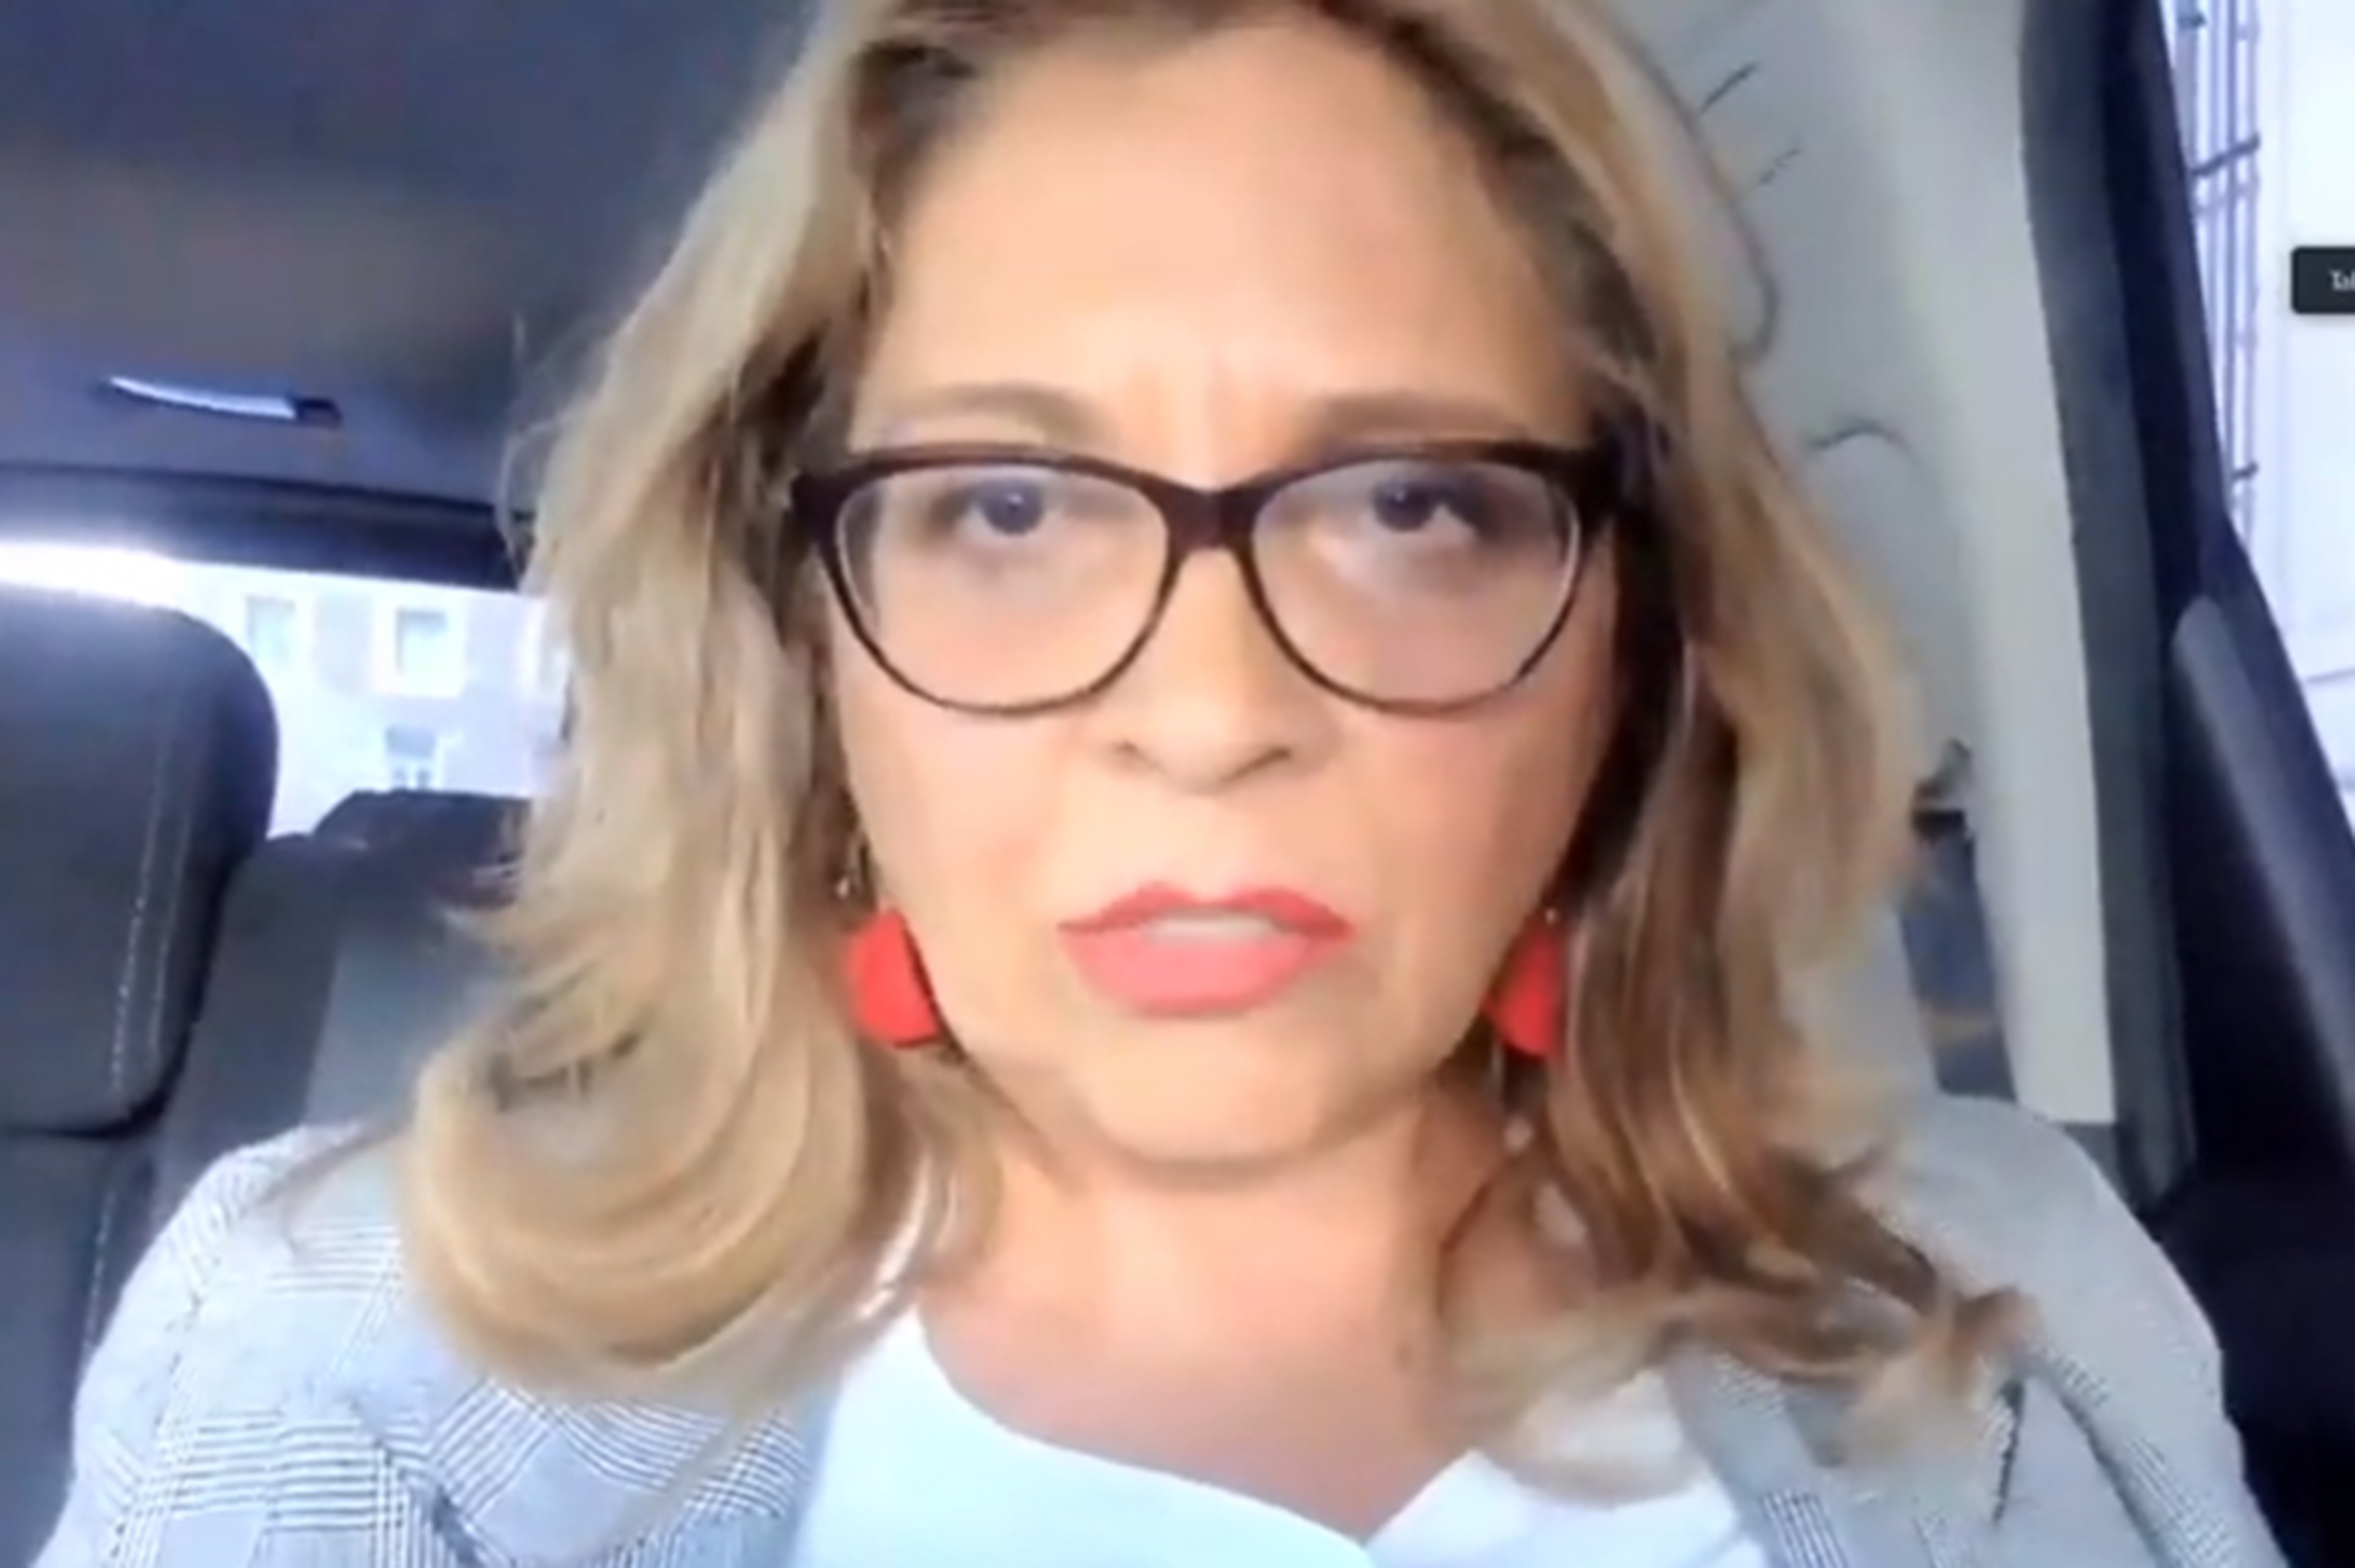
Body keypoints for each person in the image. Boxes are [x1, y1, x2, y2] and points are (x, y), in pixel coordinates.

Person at [35, 1, 2285, 1564]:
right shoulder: (342, 1369)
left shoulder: (2020, 1295)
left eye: (1408, 504)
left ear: (1628, 635)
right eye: (1007, 509)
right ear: (803, 646)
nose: (1207, 714)